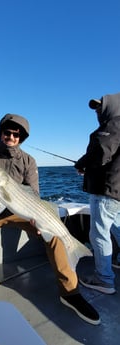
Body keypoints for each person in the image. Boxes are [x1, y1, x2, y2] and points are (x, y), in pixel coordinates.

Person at [0, 113, 100, 325]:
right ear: (0, 132)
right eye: (7, 132)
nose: (10, 137)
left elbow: (34, 195)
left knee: (55, 233)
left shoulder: (29, 161)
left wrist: (38, 219)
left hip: (20, 211)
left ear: (21, 138)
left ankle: (71, 293)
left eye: (16, 134)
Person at [75, 92, 120, 295]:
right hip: (117, 191)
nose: (98, 111)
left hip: (105, 191)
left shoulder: (115, 123)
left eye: (101, 107)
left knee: (99, 234)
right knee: (118, 228)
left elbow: (102, 151)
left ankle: (104, 279)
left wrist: (83, 163)